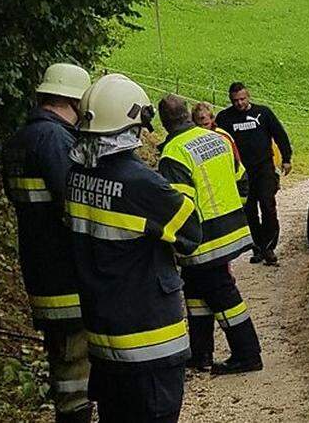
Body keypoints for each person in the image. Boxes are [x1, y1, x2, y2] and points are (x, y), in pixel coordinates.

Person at [65, 74, 202, 423]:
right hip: (149, 340)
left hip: (104, 337)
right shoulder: (142, 183)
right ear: (132, 127)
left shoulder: (76, 177)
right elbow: (190, 231)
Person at [0, 63, 93, 423]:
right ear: (76, 99)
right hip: (68, 274)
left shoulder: (18, 140)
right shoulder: (56, 140)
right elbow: (77, 203)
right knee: (76, 366)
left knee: (62, 362)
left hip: (39, 270)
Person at [158, 94, 262, 375]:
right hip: (232, 228)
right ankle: (200, 353)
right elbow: (241, 177)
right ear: (189, 116)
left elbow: (179, 206)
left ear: (164, 122)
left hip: (203, 239)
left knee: (223, 294)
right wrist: (236, 211)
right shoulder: (217, 138)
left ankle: (248, 353)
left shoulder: (174, 152)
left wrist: (171, 239)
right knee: (195, 291)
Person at [216, 82, 292, 266]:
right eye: (235, 100)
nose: (240, 104)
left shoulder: (263, 113)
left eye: (242, 99)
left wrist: (287, 157)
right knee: (249, 210)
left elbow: (279, 134)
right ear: (230, 100)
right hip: (242, 172)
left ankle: (269, 246)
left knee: (267, 205)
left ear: (248, 96)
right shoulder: (225, 118)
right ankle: (257, 246)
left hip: (264, 166)